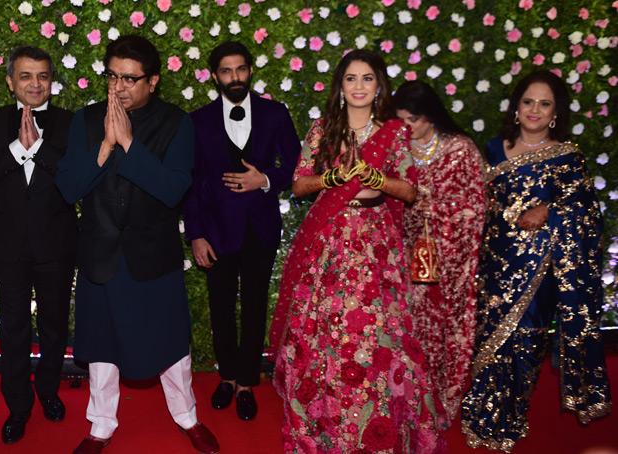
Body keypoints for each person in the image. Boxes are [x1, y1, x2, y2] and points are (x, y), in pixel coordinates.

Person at [268, 50, 444, 454]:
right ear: (341, 86)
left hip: (377, 245)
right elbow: (298, 185)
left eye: (367, 78)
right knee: (326, 332)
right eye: (351, 78)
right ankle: (325, 421)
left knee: (381, 335)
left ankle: (376, 422)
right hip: (330, 242)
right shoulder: (323, 130)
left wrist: (378, 178)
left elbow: (411, 190)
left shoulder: (393, 133)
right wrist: (333, 176)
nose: (360, 86)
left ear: (378, 85)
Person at [55, 35, 219, 454]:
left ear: (153, 81)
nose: (119, 87)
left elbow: (172, 189)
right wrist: (107, 144)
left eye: (130, 79)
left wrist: (129, 143)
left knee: (171, 344)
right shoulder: (86, 120)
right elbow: (69, 188)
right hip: (100, 254)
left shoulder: (177, 123)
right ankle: (101, 426)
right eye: (112, 77)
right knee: (103, 348)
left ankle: (188, 417)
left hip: (153, 256)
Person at [461, 70, 612, 452]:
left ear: (555, 113)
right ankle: (478, 416)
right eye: (528, 102)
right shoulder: (494, 149)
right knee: (487, 340)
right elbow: (478, 205)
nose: (535, 110)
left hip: (540, 271)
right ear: (516, 107)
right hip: (494, 264)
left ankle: (510, 419)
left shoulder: (567, 158)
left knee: (525, 342)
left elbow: (588, 216)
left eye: (544, 104)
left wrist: (552, 210)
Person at [0, 46, 76, 444]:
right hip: (9, 245)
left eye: (42, 76)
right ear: (11, 81)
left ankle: (48, 392)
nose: (35, 83)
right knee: (13, 328)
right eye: (26, 76)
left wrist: (39, 149)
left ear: (51, 81)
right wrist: (16, 150)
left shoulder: (69, 123)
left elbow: (77, 179)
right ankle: (18, 406)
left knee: (53, 326)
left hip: (57, 245)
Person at [183, 41, 300, 421]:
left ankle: (248, 381)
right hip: (215, 231)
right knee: (220, 307)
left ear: (251, 70)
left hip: (260, 228)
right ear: (215, 76)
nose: (234, 77)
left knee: (253, 305)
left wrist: (264, 179)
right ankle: (228, 376)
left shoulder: (274, 114)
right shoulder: (198, 120)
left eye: (240, 69)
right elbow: (191, 179)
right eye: (226, 71)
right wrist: (196, 234)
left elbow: (298, 166)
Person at [392, 80, 486, 424]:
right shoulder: (396, 152)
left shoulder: (460, 150)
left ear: (430, 116)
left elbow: (476, 206)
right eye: (400, 119)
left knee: (442, 328)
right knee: (405, 328)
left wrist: (429, 205)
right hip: (403, 257)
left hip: (448, 260)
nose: (406, 127)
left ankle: (438, 403)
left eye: (412, 120)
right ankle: (407, 401)